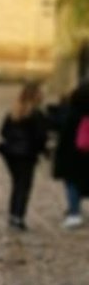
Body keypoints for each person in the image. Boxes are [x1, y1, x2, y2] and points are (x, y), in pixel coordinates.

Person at [0, 82, 49, 230]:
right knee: (24, 186)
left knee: (16, 184)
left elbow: (3, 131)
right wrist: (43, 151)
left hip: (10, 153)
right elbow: (40, 136)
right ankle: (18, 217)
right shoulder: (37, 114)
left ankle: (13, 214)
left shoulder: (14, 112)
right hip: (26, 154)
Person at [51, 80, 89, 228]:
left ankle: (74, 213)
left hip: (72, 155)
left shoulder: (71, 114)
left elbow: (62, 133)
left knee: (72, 183)